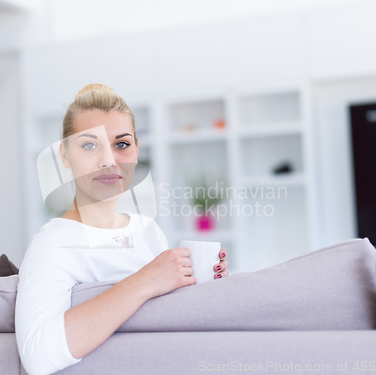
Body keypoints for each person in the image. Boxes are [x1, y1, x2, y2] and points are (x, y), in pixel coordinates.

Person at [15, 84, 229, 375]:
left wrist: (200, 283)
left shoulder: (148, 229)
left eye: (122, 144)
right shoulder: (53, 244)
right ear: (65, 155)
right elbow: (37, 356)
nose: (109, 160)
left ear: (136, 151)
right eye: (90, 145)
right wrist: (145, 281)